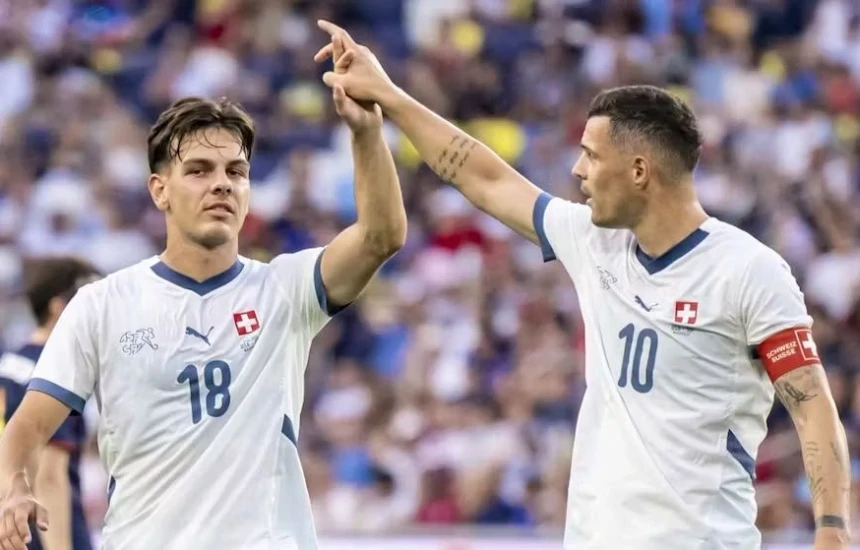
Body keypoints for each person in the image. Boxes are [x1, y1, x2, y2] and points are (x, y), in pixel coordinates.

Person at [313, 20, 851, 550]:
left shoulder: (748, 270)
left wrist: (831, 529)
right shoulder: (595, 243)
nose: (577, 169)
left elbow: (811, 405)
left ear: (639, 171)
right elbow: (484, 176)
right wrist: (389, 96)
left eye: (592, 154)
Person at [0, 42, 407, 550]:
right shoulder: (102, 304)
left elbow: (381, 236)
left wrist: (366, 132)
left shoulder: (286, 289)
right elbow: (26, 427)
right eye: (198, 170)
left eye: (236, 172)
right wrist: (14, 487)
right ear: (159, 190)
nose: (222, 185)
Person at [0, 257, 100, 550]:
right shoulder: (54, 374)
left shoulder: (9, 363)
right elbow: (49, 475)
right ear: (58, 307)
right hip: (41, 534)